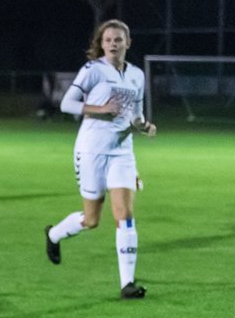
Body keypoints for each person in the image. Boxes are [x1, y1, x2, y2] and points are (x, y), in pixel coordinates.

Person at [43, 19, 157, 298]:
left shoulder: (137, 75)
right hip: (91, 149)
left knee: (125, 216)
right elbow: (65, 103)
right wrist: (101, 109)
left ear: (128, 43)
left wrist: (144, 126)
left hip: (122, 151)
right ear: (102, 44)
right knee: (92, 220)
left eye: (118, 39)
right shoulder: (93, 70)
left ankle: (127, 283)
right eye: (107, 40)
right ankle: (54, 235)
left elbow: (135, 114)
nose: (113, 44)